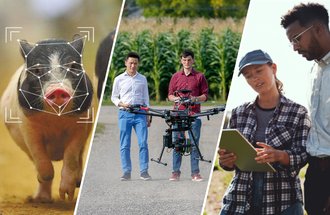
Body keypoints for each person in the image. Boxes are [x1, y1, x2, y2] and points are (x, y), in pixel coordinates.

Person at [219, 49, 310, 215]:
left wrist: (280, 155)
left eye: (259, 71)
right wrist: (226, 161)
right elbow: (228, 164)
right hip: (239, 200)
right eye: (248, 75)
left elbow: (303, 155)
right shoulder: (238, 113)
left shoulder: (298, 112)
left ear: (273, 68)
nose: (255, 78)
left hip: (282, 201)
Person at [281, 3, 330, 215]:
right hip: (316, 175)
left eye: (297, 39)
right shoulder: (313, 72)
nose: (294, 47)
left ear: (318, 29)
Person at [167, 49, 208, 182]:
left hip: (193, 115)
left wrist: (194, 99)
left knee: (194, 144)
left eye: (189, 60)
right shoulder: (175, 76)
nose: (187, 62)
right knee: (177, 143)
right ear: (181, 61)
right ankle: (175, 172)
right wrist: (176, 99)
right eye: (184, 60)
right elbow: (170, 95)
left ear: (193, 60)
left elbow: (205, 96)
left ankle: (195, 173)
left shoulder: (200, 77)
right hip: (178, 115)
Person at [111, 52, 152, 181]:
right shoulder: (119, 79)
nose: (133, 66)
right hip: (125, 113)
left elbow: (146, 98)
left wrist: (148, 114)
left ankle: (144, 171)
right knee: (125, 144)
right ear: (126, 63)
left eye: (135, 63)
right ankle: (126, 172)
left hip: (140, 113)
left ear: (138, 64)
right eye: (131, 63)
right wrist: (121, 103)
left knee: (143, 143)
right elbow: (113, 97)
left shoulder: (142, 79)